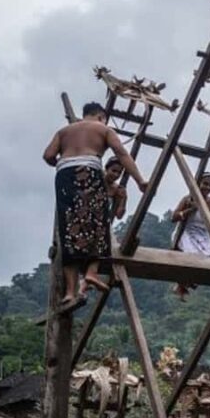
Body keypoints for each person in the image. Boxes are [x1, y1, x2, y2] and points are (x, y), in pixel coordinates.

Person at [43, 102, 149, 305]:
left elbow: (48, 155)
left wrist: (63, 163)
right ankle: (92, 272)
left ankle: (70, 293)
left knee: (69, 231)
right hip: (89, 172)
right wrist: (140, 180)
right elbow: (122, 154)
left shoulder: (64, 131)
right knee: (98, 226)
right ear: (101, 116)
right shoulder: (104, 129)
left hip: (64, 175)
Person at [171, 172, 210, 300]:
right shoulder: (188, 199)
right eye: (205, 184)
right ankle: (182, 284)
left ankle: (185, 284)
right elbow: (174, 217)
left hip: (203, 235)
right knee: (192, 257)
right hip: (186, 231)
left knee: (208, 261)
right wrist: (191, 209)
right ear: (198, 184)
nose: (207, 187)